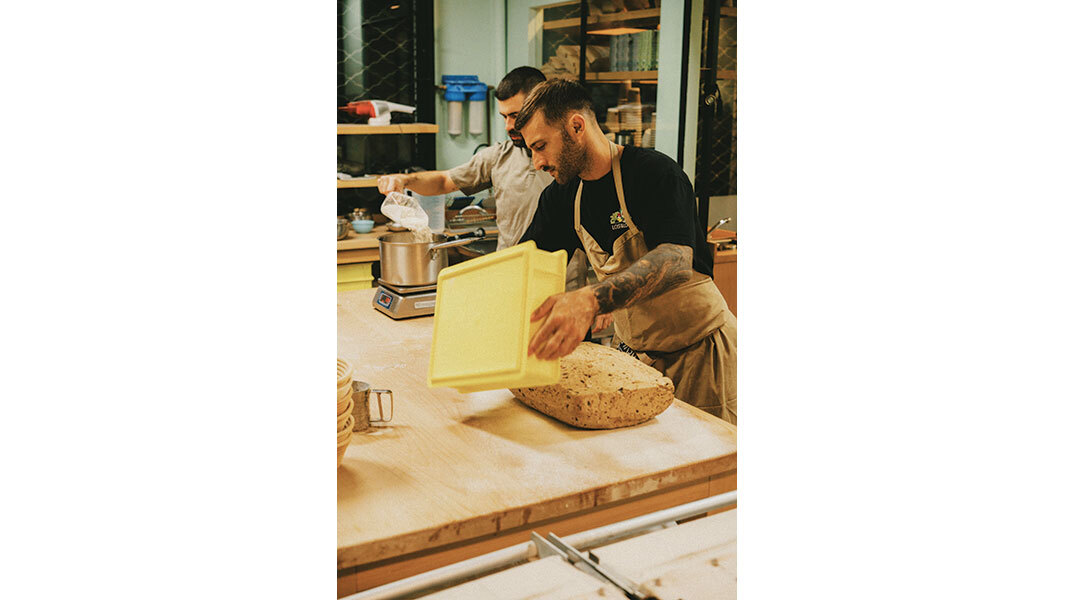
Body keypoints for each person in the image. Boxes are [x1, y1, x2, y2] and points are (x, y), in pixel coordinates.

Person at [515, 79, 737, 424]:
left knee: (710, 452)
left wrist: (591, 300)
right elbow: (525, 267)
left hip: (703, 356)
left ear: (576, 127)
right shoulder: (562, 197)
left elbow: (675, 261)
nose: (537, 162)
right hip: (637, 360)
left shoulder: (653, 172)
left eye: (541, 146)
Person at [376, 66, 552, 252]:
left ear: (541, 107)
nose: (508, 126)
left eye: (515, 116)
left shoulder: (565, 158)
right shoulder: (499, 157)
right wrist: (404, 180)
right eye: (504, 117)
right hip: (510, 266)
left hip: (559, 269)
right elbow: (443, 181)